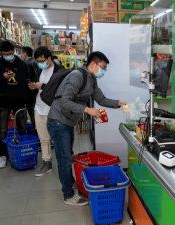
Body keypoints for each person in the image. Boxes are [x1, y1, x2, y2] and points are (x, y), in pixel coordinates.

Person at [47, 51, 127, 206]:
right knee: (64, 159)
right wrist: (87, 110)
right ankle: (68, 195)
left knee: (67, 155)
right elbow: (65, 101)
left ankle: (69, 184)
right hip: (58, 120)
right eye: (102, 67)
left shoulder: (92, 79)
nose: (104, 71)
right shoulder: (78, 76)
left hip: (68, 121)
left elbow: (101, 99)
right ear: (93, 64)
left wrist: (119, 103)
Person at [0, 41, 28, 168]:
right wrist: (2, 77)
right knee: (2, 130)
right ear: (1, 53)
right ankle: (2, 155)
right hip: (4, 102)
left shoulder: (22, 64)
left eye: (10, 53)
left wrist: (26, 98)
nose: (8, 56)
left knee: (22, 128)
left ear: (14, 51)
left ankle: (24, 150)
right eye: (5, 54)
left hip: (19, 101)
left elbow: (26, 81)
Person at [28, 47, 63, 177]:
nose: (40, 63)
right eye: (38, 61)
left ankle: (63, 164)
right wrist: (33, 87)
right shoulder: (38, 69)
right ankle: (46, 162)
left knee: (58, 138)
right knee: (43, 138)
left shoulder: (60, 71)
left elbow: (60, 91)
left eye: (42, 60)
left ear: (49, 58)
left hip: (53, 110)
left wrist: (41, 86)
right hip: (39, 108)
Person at [20, 46, 39, 127]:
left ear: (25, 54)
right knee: (36, 111)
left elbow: (28, 79)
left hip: (30, 92)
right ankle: (38, 129)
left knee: (31, 111)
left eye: (21, 53)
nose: (21, 55)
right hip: (36, 90)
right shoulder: (36, 62)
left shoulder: (26, 63)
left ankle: (36, 129)